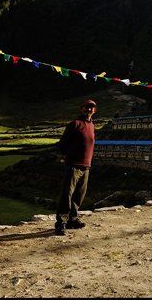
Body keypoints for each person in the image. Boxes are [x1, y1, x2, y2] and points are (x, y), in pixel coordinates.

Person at [55, 99, 97, 235]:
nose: (89, 110)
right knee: (67, 194)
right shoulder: (75, 124)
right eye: (87, 107)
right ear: (81, 109)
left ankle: (73, 219)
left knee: (79, 194)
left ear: (94, 110)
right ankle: (61, 222)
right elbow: (62, 145)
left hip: (86, 166)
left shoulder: (92, 126)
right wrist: (70, 157)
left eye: (91, 108)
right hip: (73, 165)